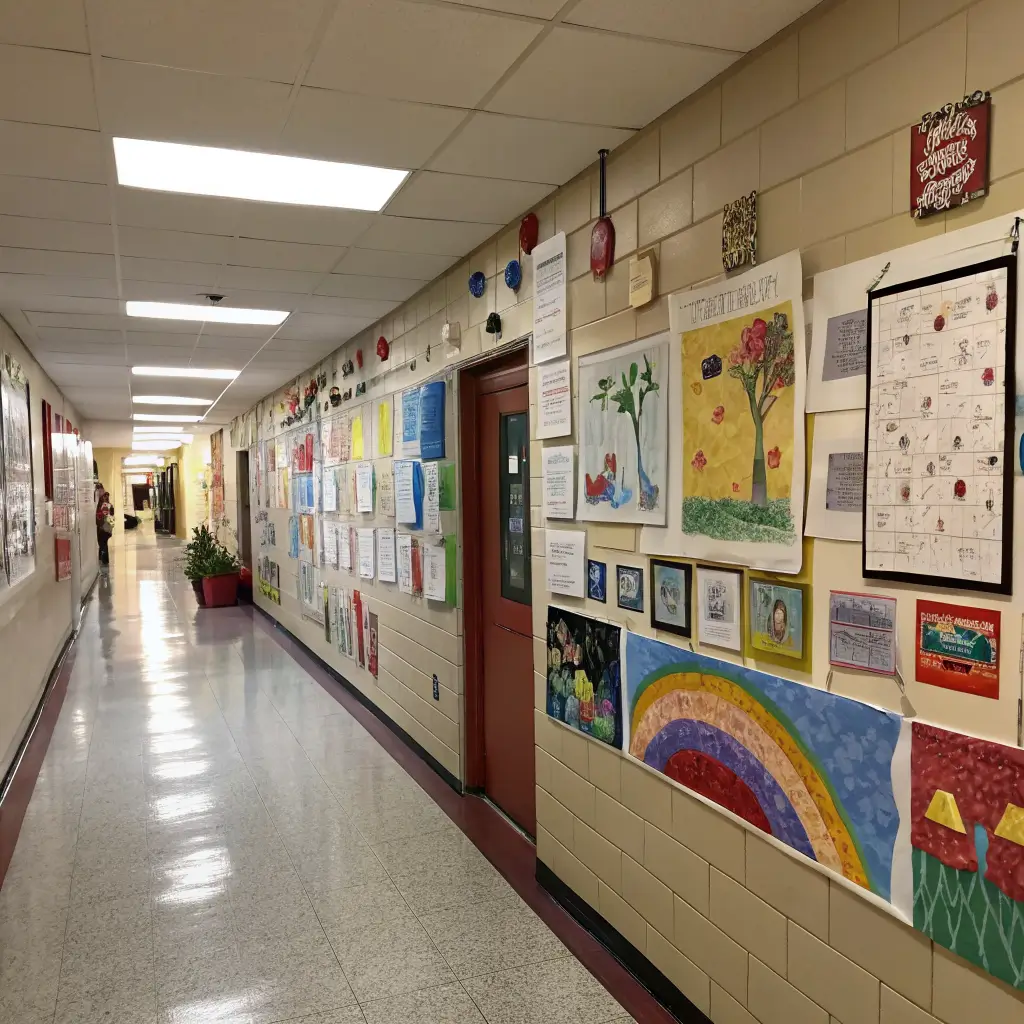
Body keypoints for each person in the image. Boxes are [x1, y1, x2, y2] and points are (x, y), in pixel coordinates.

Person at [96, 490, 114, 565]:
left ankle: (103, 559)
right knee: (104, 543)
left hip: (104, 527)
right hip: (108, 527)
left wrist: (101, 526)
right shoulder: (110, 505)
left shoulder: (104, 505)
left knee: (102, 543)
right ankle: (103, 558)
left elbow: (102, 517)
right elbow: (112, 515)